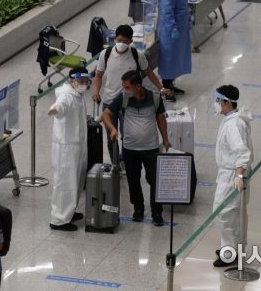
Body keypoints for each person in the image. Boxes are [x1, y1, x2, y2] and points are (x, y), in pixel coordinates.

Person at [92, 24, 170, 163]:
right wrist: (96, 92)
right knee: (111, 136)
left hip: (127, 103)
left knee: (126, 136)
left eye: (125, 41)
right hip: (109, 100)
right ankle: (115, 163)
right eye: (119, 40)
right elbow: (98, 75)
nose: (122, 43)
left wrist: (160, 88)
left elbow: (149, 73)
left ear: (130, 41)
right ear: (115, 38)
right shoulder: (106, 54)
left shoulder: (136, 55)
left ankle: (125, 161)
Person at [102, 70, 171, 226]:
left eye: (127, 87)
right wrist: (113, 129)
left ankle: (156, 211)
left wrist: (166, 140)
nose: (124, 89)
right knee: (133, 181)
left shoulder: (154, 97)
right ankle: (138, 208)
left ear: (138, 86)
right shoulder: (123, 98)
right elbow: (105, 114)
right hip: (130, 149)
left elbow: (160, 119)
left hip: (151, 148)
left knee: (154, 180)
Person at [211, 85, 253, 267]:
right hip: (229, 173)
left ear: (227, 102)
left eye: (218, 101)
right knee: (231, 214)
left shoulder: (234, 125)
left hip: (233, 176)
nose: (217, 104)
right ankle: (231, 248)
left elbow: (242, 153)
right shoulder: (232, 119)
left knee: (223, 214)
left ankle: (230, 253)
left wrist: (239, 176)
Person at [48, 67, 90, 231]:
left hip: (77, 144)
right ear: (71, 81)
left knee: (76, 181)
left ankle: (69, 211)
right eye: (80, 81)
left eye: (86, 81)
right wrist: (56, 110)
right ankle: (58, 220)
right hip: (66, 148)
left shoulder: (78, 95)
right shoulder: (66, 94)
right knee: (65, 182)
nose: (83, 84)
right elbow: (61, 106)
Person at [157, 0, 192, 101]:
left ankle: (170, 83)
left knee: (177, 57)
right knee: (168, 59)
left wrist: (188, 20)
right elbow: (166, 12)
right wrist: (173, 28)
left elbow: (184, 6)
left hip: (181, 28)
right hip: (170, 31)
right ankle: (166, 89)